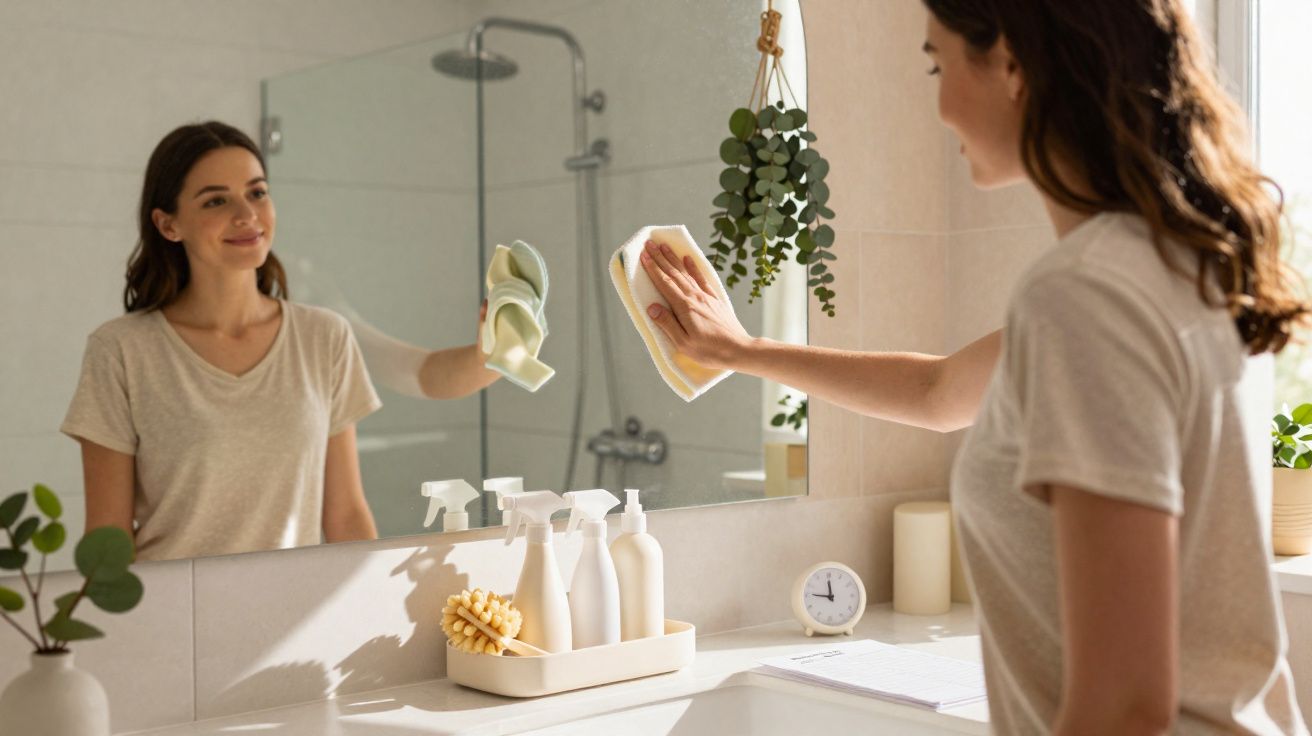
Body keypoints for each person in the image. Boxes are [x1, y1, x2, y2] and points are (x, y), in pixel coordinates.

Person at [640, 1, 1309, 733]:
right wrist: (742, 350)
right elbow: (938, 391)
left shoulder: (1087, 296)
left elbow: (1124, 704)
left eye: (938, 65)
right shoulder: (1171, 269)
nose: (939, 106)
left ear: (1013, 64)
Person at [61, 121, 499, 562]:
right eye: (216, 200)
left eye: (257, 193)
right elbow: (107, 538)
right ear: (168, 224)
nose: (246, 214)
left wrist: (500, 349)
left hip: (296, 602)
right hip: (171, 602)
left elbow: (346, 515)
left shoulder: (323, 337)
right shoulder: (121, 351)